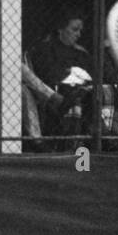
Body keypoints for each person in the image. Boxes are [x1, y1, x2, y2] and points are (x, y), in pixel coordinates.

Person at [26, 9, 94, 138]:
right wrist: (72, 73)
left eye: (80, 31)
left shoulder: (81, 53)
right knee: (77, 97)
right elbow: (47, 74)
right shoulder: (46, 49)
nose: (78, 34)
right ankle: (71, 139)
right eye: (74, 29)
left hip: (85, 89)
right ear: (61, 29)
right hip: (59, 92)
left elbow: (92, 75)